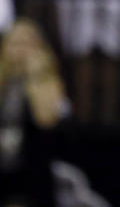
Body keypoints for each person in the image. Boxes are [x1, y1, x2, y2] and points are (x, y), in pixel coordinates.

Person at [0, 19, 67, 207]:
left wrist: (34, 76)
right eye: (15, 43)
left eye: (27, 44)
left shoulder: (48, 81)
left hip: (32, 168)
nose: (20, 50)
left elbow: (45, 119)